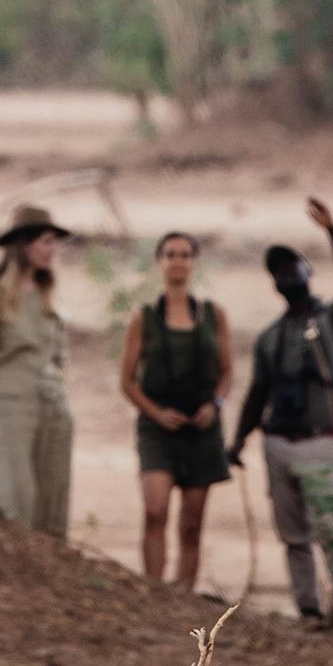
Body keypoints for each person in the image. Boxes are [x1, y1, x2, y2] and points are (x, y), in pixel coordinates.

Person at [228, 197, 333, 627]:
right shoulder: (270, 337)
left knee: (332, 531)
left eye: (293, 267)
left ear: (309, 272)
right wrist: (239, 439)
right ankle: (308, 608)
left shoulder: (332, 322)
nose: (287, 276)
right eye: (278, 272)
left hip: (320, 438)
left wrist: (332, 231)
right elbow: (256, 391)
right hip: (278, 441)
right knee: (293, 535)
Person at [121, 231, 233, 589]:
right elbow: (127, 381)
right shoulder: (144, 317)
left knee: (192, 523)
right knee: (155, 511)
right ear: (160, 262)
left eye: (185, 254)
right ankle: (153, 590)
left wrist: (215, 405)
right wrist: (157, 414)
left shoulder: (214, 315)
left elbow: (227, 372)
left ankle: (184, 592)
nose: (178, 261)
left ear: (193, 262)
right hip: (158, 428)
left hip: (201, 428)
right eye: (170, 254)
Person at [0, 204, 73, 535]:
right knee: (16, 495)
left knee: (53, 495)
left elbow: (58, 357)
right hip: (9, 403)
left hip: (52, 403)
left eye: (54, 243)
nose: (52, 250)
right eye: (46, 242)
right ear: (24, 245)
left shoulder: (46, 295)